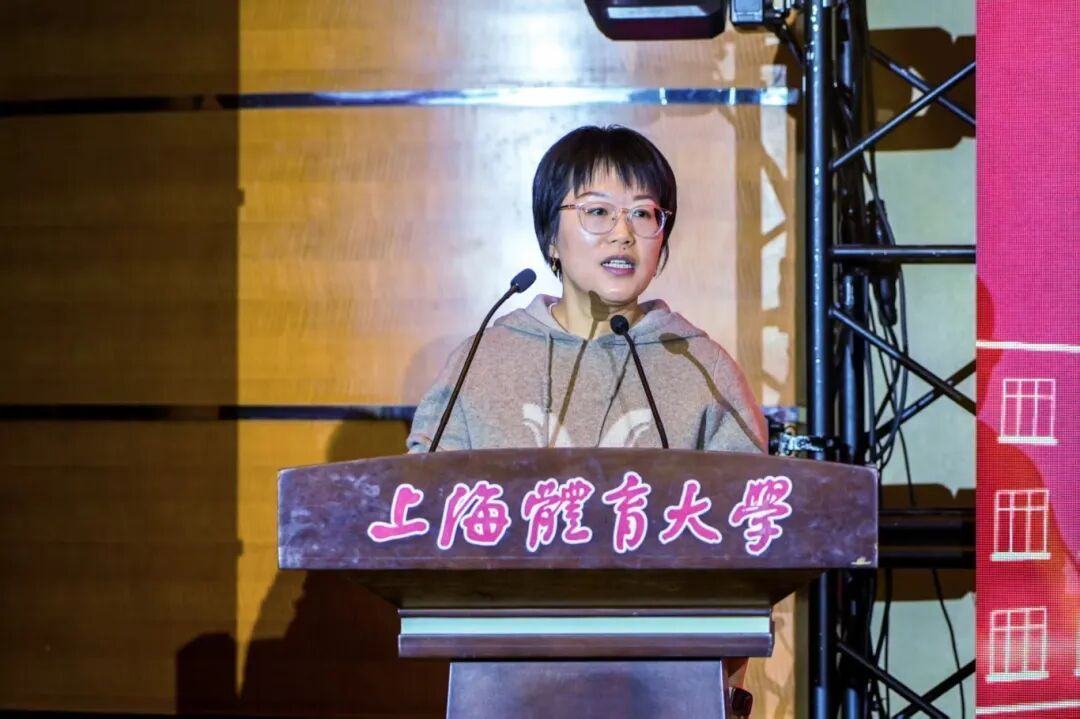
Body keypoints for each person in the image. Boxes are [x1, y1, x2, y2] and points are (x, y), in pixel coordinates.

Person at [405, 124, 765, 704]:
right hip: (507, 681)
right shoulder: (483, 359)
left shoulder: (701, 366)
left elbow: (759, 538)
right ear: (551, 236)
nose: (623, 233)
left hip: (671, 684)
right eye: (598, 211)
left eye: (644, 214)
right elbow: (419, 510)